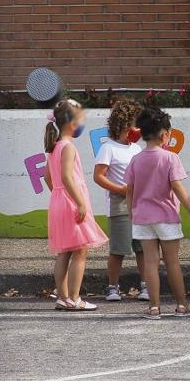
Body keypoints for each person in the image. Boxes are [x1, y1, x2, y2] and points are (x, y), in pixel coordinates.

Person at [124, 106, 190, 318]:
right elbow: (177, 187)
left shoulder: (136, 159)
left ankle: (154, 306)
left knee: (150, 262)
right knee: (172, 261)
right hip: (166, 217)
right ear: (164, 134)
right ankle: (182, 305)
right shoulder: (169, 158)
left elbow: (129, 190)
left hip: (142, 217)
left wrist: (132, 212)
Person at [44, 98, 106, 311]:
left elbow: (48, 177)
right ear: (72, 123)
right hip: (71, 203)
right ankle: (75, 298)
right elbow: (67, 177)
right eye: (81, 119)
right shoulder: (68, 147)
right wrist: (80, 202)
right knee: (80, 250)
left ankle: (62, 298)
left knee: (64, 252)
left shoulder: (54, 147)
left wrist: (59, 195)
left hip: (59, 202)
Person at [92, 98, 145, 302]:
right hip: (120, 205)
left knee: (142, 247)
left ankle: (145, 285)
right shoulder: (109, 148)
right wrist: (121, 190)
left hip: (140, 204)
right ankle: (112, 287)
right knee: (118, 249)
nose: (138, 129)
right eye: (135, 124)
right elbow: (98, 176)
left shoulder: (137, 149)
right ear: (123, 124)